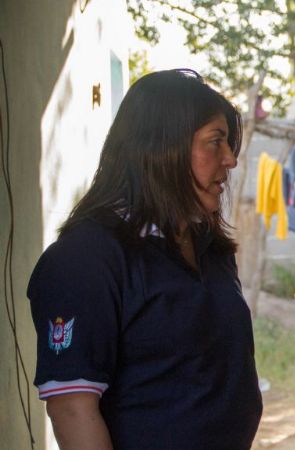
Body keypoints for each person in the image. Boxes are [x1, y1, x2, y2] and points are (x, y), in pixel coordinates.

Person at [27, 69, 263, 450]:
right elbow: (72, 410)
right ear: (162, 149)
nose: (231, 160)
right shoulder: (84, 260)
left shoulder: (209, 246)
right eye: (215, 142)